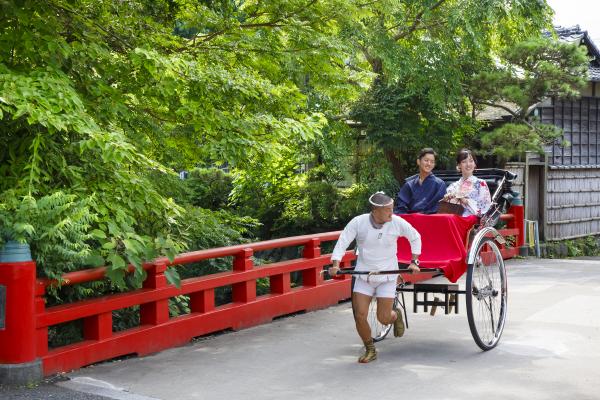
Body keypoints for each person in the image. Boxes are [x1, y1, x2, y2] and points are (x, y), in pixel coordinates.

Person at [328, 192, 421, 363]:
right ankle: (370, 349)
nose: (391, 214)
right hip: (364, 275)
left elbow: (415, 237)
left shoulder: (396, 222)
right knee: (359, 315)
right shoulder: (359, 222)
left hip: (387, 276)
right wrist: (335, 265)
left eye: (392, 210)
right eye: (387, 210)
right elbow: (343, 241)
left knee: (383, 318)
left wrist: (414, 261)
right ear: (375, 210)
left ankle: (395, 315)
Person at [394, 148, 447, 214]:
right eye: (426, 160)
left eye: (432, 162)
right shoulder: (409, 185)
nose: (429, 164)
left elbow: (439, 207)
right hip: (410, 220)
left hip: (431, 220)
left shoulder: (439, 184)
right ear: (418, 161)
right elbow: (401, 205)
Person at [443, 149, 492, 218]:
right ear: (459, 165)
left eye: (471, 161)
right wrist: (446, 199)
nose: (468, 164)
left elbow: (484, 208)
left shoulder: (481, 183)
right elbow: (447, 208)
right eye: (464, 162)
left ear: (475, 164)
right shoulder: (453, 186)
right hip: (454, 217)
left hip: (471, 220)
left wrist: (465, 201)